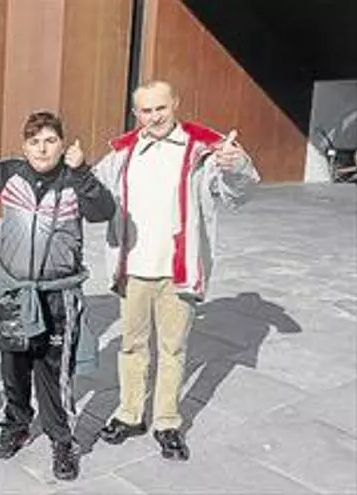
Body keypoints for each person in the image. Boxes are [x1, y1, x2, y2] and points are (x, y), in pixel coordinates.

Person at [93, 80, 259, 460]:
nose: (154, 117)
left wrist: (238, 167)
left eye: (161, 108)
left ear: (175, 104)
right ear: (136, 114)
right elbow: (91, 188)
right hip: (133, 268)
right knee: (132, 346)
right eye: (146, 111)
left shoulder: (202, 150)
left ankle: (167, 421)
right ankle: (130, 413)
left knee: (172, 349)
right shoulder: (122, 153)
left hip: (178, 270)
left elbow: (238, 195)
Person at [0, 110, 115, 480]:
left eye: (50, 140)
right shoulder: (9, 173)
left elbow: (104, 210)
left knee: (54, 371)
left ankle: (62, 440)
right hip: (13, 292)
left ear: (63, 145)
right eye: (35, 141)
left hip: (58, 295)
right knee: (13, 367)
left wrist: (82, 170)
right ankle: (16, 426)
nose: (42, 148)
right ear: (24, 147)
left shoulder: (75, 179)